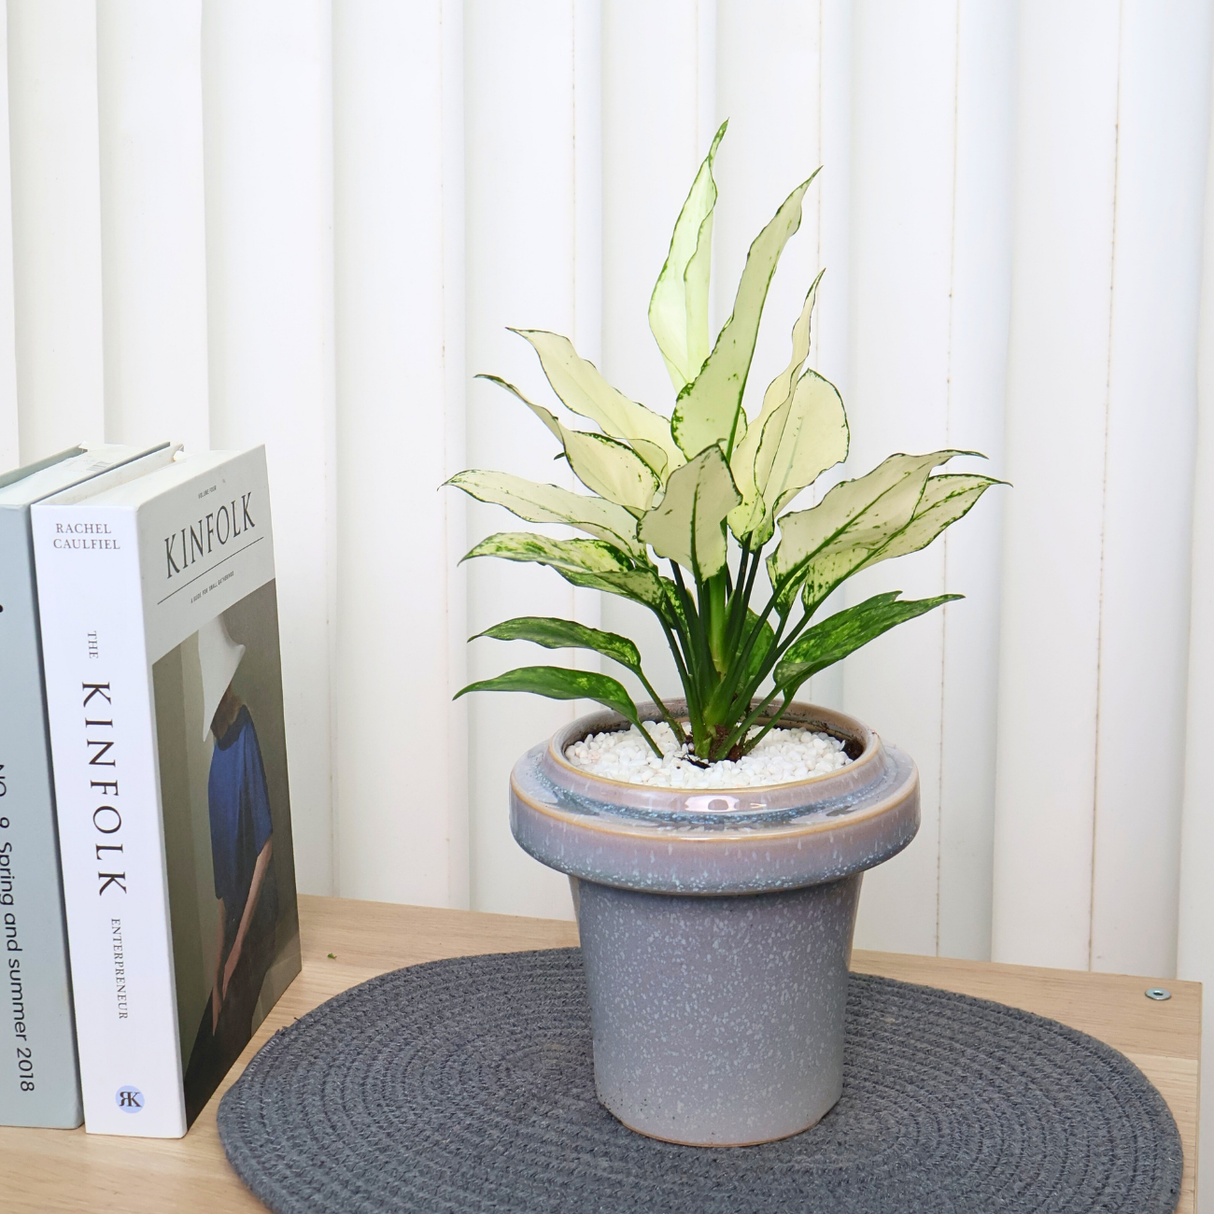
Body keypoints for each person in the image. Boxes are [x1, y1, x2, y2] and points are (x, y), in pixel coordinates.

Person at [183, 616, 278, 1124]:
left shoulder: (245, 736)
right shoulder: (215, 765)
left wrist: (239, 946)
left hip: (260, 911)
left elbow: (264, 847)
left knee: (232, 1039)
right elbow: (224, 889)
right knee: (208, 1033)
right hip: (235, 917)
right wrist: (219, 961)